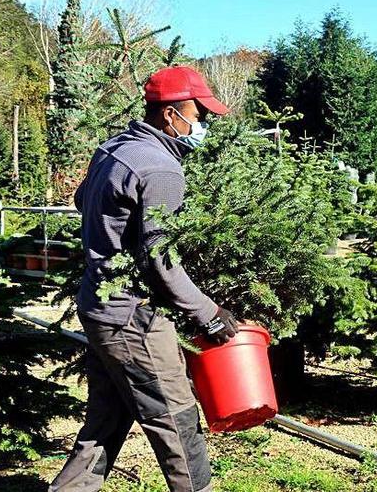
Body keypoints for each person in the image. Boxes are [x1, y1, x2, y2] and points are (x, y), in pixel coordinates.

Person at [49, 66, 239, 492]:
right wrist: (208, 312)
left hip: (99, 306)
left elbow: (83, 199)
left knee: (106, 420)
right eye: (199, 115)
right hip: (134, 318)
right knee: (178, 421)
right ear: (171, 114)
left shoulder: (115, 149)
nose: (203, 125)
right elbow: (161, 259)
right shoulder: (160, 169)